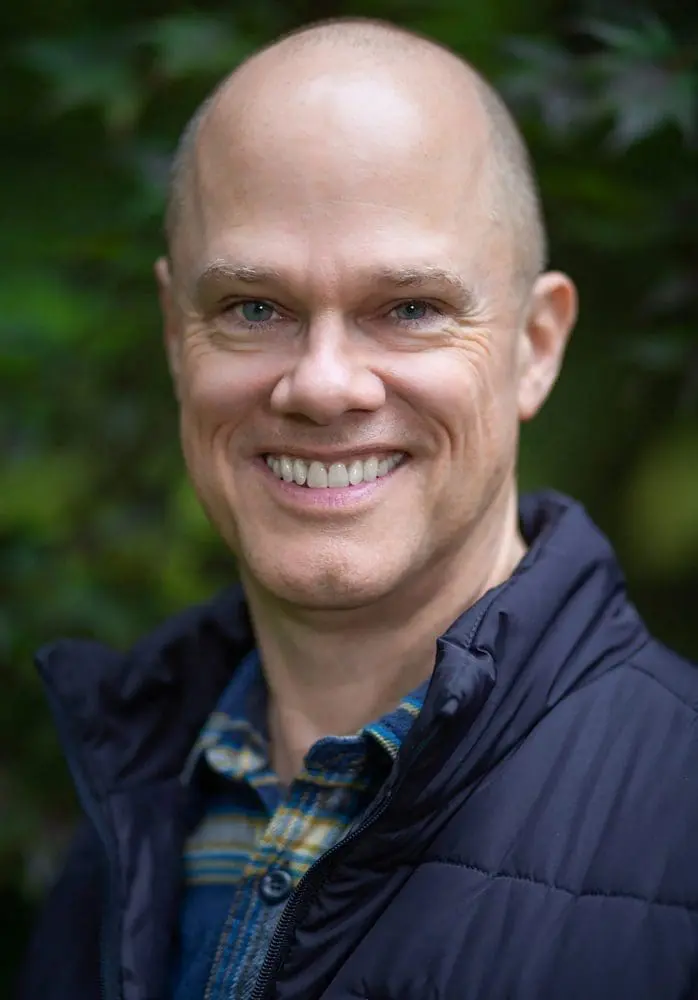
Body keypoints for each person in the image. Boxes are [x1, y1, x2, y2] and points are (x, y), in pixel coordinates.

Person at [17, 16, 698, 1000]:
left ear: (535, 345)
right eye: (254, 308)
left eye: (410, 308)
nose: (323, 385)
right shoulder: (131, 808)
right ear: (174, 335)